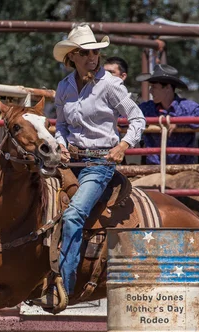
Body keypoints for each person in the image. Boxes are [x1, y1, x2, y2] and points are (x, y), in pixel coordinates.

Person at [31, 24, 145, 311]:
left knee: (72, 217)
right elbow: (62, 126)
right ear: (72, 57)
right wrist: (62, 144)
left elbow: (138, 119)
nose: (92, 58)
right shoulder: (64, 87)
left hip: (100, 163)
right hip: (72, 161)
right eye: (86, 53)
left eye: (95, 52)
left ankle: (63, 287)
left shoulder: (110, 84)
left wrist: (123, 146)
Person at [137, 65, 199, 165]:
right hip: (154, 169)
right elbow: (124, 120)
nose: (150, 91)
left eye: (154, 87)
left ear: (168, 87)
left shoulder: (186, 107)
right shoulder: (147, 108)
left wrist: (180, 122)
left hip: (183, 168)